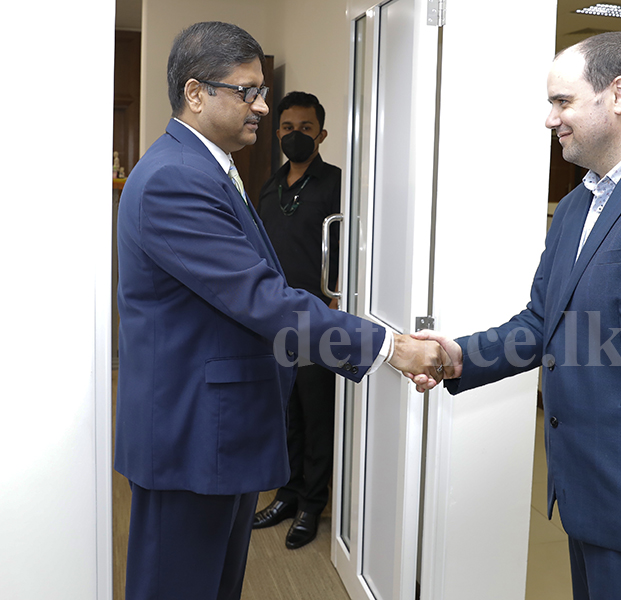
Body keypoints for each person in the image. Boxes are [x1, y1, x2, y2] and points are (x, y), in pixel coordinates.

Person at [413, 32, 621, 599]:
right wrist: (456, 357)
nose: (550, 118)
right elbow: (542, 324)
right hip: (590, 496)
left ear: (618, 94)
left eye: (562, 101)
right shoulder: (577, 204)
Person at [115, 21, 445, 600]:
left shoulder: (211, 168)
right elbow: (263, 299)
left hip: (221, 429)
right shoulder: (175, 180)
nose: (262, 106)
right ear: (196, 93)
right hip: (193, 436)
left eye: (261, 91)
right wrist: (390, 346)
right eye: (248, 91)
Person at [251, 92, 342, 549]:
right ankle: (287, 492)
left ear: (321, 134)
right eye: (287, 128)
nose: (295, 136)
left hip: (319, 319)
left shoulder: (338, 184)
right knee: (286, 408)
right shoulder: (270, 186)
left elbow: (348, 249)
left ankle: (312, 502)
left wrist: (338, 298)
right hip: (276, 318)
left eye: (305, 128)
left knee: (316, 409)